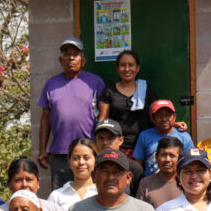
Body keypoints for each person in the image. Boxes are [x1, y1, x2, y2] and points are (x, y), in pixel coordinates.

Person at [36, 37, 105, 189]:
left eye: (76, 54)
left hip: (88, 151)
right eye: (67, 54)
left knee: (90, 194)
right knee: (61, 197)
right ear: (61, 60)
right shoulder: (51, 84)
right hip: (60, 153)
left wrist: (100, 147)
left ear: (83, 60)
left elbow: (104, 115)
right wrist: (42, 150)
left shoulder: (95, 82)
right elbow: (45, 119)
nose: (71, 57)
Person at [97, 49, 156, 152]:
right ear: (117, 68)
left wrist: (173, 124)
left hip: (144, 147)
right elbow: (103, 119)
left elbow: (156, 115)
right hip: (116, 147)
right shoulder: (109, 91)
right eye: (123, 65)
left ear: (137, 68)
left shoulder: (146, 89)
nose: (127, 69)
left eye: (131, 65)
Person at [132, 100, 193, 177]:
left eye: (168, 115)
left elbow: (190, 162)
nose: (164, 119)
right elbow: (138, 164)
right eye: (160, 115)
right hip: (151, 184)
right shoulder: (144, 136)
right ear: (153, 118)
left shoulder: (184, 136)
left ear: (174, 117)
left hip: (177, 183)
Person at [47, 138, 99, 211]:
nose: (81, 162)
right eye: (76, 158)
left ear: (95, 160)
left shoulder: (102, 193)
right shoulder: (57, 196)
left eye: (86, 158)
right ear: (69, 161)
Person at [94, 119, 144, 197]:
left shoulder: (134, 168)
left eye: (110, 138)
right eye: (101, 138)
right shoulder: (90, 166)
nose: (105, 142)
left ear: (121, 140)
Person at [136, 137, 184, 210]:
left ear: (180, 158)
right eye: (163, 155)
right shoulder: (146, 183)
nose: (167, 159)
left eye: (172, 156)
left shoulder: (187, 182)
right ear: (156, 157)